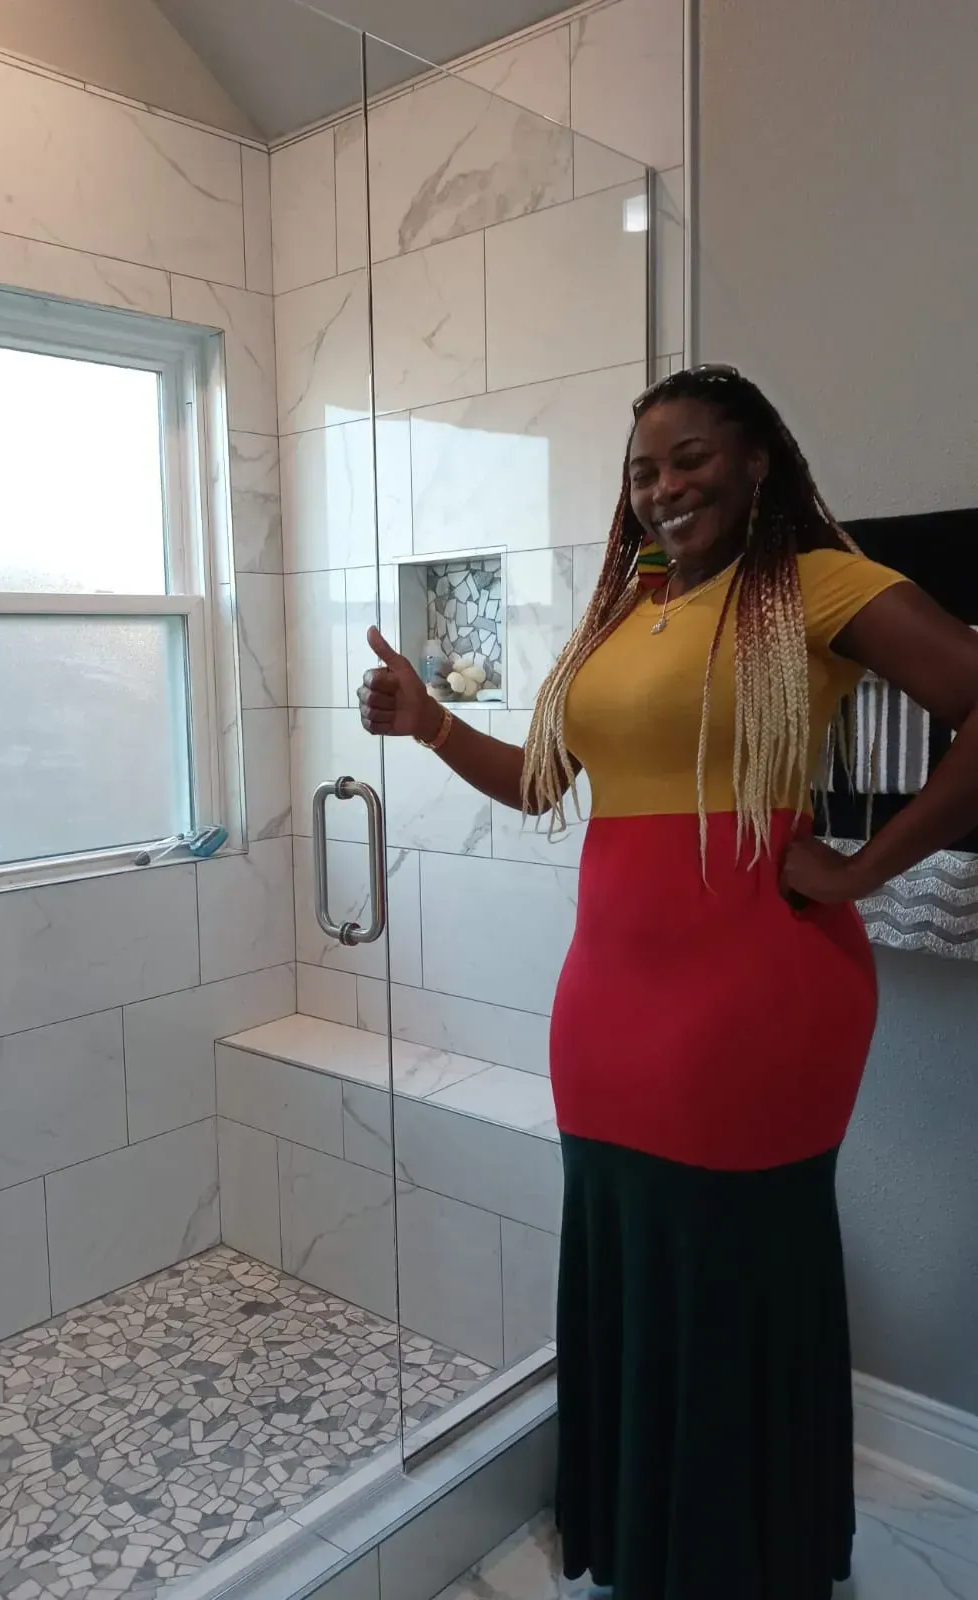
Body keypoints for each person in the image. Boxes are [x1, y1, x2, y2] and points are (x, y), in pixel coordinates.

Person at [355, 366, 978, 1600]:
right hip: (607, 1008)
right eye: (643, 469)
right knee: (628, 1254)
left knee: (732, 1264)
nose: (663, 487)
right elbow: (542, 783)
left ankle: (747, 1557)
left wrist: (862, 869)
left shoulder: (808, 586)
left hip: (752, 1000)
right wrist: (429, 721)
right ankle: (650, 1542)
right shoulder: (625, 610)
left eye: (690, 458)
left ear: (756, 466)